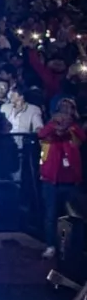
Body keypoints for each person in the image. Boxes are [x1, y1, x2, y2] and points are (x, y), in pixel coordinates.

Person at [38, 100, 84, 259]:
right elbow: (41, 134)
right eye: (62, 109)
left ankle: (72, 247)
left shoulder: (75, 129)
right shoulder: (50, 130)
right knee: (50, 215)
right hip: (50, 180)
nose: (64, 113)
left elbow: (81, 138)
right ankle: (51, 246)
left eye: (68, 109)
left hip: (70, 181)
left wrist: (69, 126)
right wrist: (54, 123)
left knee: (73, 216)